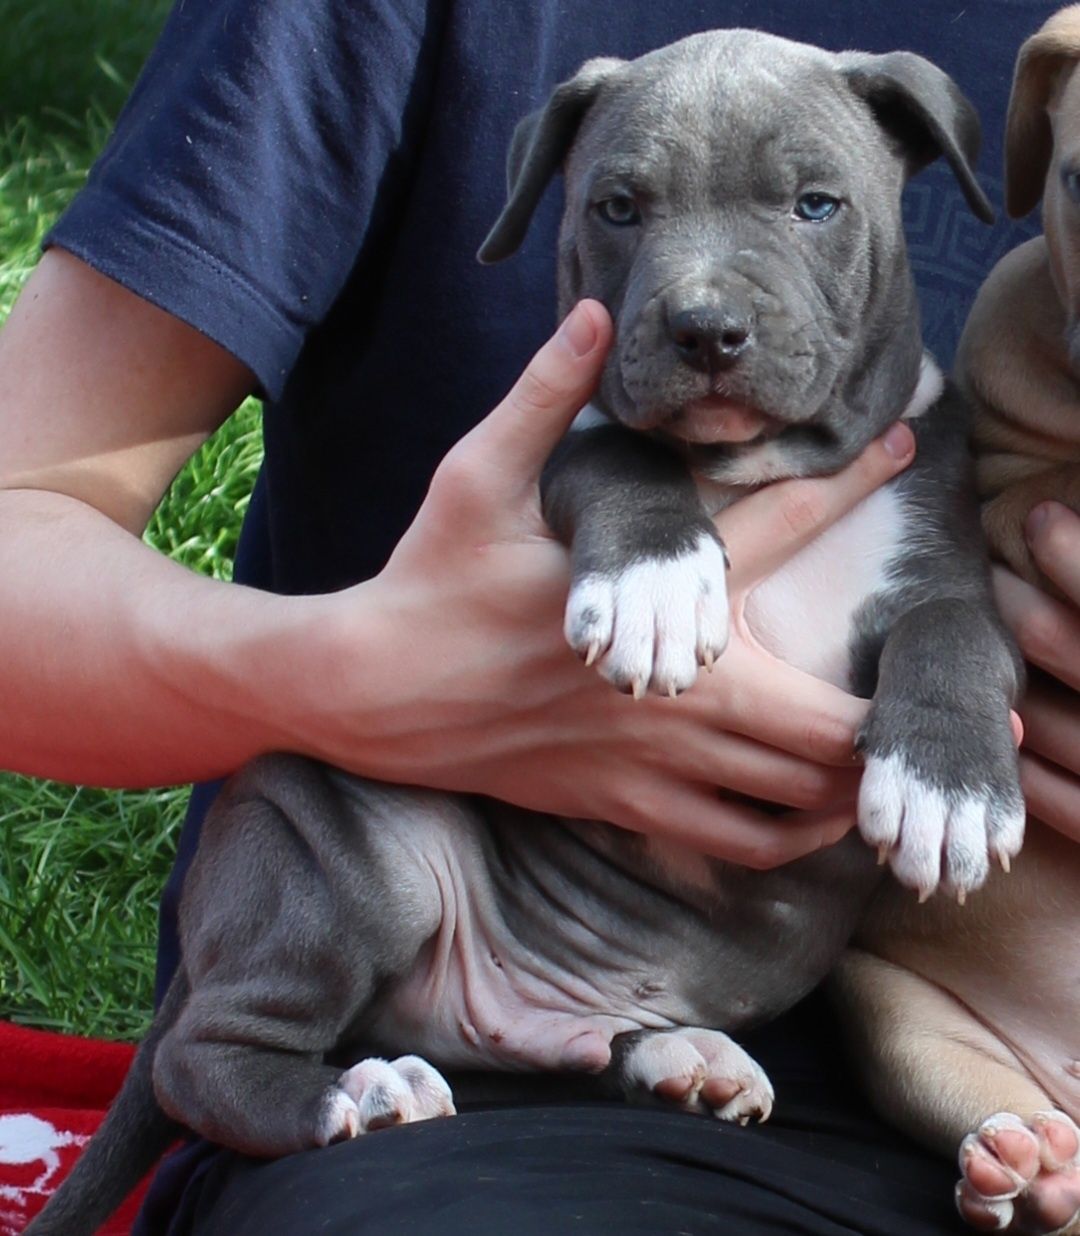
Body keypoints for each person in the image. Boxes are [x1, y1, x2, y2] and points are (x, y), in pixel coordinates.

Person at [0, 0, 1075, 1232]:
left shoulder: (917, 441)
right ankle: (247, 1056)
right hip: (453, 1078)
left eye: (810, 207)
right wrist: (358, 675)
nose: (705, 299)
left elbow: (946, 616)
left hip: (927, 1071)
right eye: (624, 209)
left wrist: (955, 708)